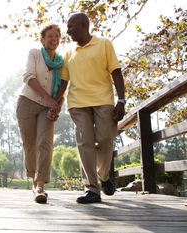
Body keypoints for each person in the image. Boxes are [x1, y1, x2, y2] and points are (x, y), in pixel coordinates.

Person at [60, 13, 126, 204]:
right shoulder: (68, 53)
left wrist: (121, 100)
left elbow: (116, 72)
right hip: (77, 104)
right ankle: (92, 189)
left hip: (103, 100)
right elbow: (64, 83)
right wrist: (56, 103)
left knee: (106, 138)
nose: (68, 31)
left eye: (71, 26)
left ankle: (103, 176)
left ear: (83, 25)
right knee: (85, 144)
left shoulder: (104, 44)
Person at [16, 24, 66, 204]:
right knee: (30, 145)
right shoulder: (34, 54)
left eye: (57, 36)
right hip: (27, 103)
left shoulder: (62, 62)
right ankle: (33, 179)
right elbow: (28, 76)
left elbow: (62, 88)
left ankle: (40, 187)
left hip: (48, 107)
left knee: (44, 143)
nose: (54, 39)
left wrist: (57, 106)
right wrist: (47, 98)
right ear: (42, 40)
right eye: (50, 36)